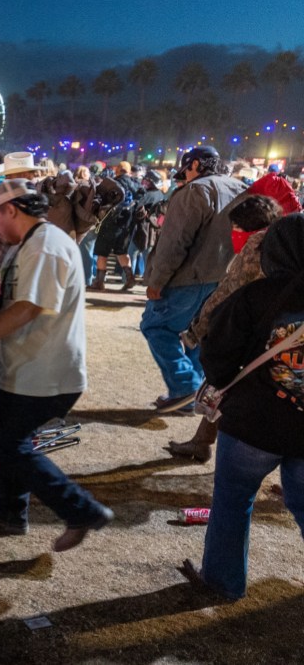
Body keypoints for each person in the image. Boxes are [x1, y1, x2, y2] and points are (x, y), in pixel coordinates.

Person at [0, 180, 113, 552]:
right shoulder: (28, 244)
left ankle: (81, 509)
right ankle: (9, 512)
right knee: (8, 439)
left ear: (11, 209)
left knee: (11, 443)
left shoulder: (46, 247)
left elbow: (27, 309)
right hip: (27, 366)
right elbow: (7, 299)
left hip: (45, 370)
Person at [180, 214, 304, 600]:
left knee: (233, 501)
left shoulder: (254, 296)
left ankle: (223, 581)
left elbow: (217, 356)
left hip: (253, 424)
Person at [166, 194, 283, 462]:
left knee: (227, 382)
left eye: (237, 227)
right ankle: (202, 440)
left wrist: (198, 328)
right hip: (285, 329)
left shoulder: (261, 243)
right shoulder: (290, 237)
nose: (234, 233)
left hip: (257, 331)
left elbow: (231, 289)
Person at [141, 146, 243, 413]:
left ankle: (185, 386)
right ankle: (194, 393)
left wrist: (156, 281)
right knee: (201, 335)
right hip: (224, 278)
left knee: (156, 327)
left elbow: (175, 243)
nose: (183, 175)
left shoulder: (195, 191)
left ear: (195, 165)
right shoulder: (241, 189)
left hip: (187, 278)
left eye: (185, 169)